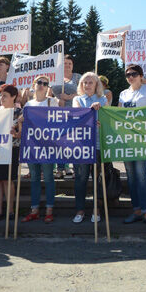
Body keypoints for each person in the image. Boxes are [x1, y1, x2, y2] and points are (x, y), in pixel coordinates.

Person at [118, 64, 146, 227]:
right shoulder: (123, 94)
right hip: (127, 140)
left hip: (143, 139)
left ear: (141, 75)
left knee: (141, 175)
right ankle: (136, 210)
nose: (131, 76)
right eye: (128, 74)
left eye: (134, 73)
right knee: (130, 177)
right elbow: (118, 115)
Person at [22, 75, 60, 224]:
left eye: (45, 83)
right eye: (39, 82)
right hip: (32, 146)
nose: (42, 85)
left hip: (48, 146)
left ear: (48, 87)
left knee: (49, 178)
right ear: (34, 84)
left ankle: (49, 210)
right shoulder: (28, 104)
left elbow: (58, 122)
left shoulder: (52, 102)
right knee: (34, 179)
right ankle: (35, 210)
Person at [71, 72, 107, 223]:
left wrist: (100, 118)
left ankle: (96, 209)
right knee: (81, 178)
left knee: (97, 179)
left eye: (90, 82)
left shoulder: (103, 99)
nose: (87, 85)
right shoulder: (77, 99)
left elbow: (107, 120)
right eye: (84, 82)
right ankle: (80, 209)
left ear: (97, 84)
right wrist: (90, 114)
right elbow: (77, 116)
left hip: (98, 143)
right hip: (81, 145)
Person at [0, 84, 22, 221]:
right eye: (1, 95)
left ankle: (10, 211)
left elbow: (22, 134)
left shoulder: (19, 113)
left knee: (8, 181)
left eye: (5, 96)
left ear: (13, 97)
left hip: (12, 150)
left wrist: (15, 133)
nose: (2, 98)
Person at [53, 54, 81, 179]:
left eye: (70, 63)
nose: (67, 65)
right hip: (59, 114)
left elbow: (83, 91)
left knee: (73, 141)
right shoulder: (55, 78)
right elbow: (49, 93)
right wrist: (58, 99)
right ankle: (60, 168)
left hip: (74, 114)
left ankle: (76, 168)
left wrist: (69, 97)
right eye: (65, 63)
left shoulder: (78, 77)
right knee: (60, 142)